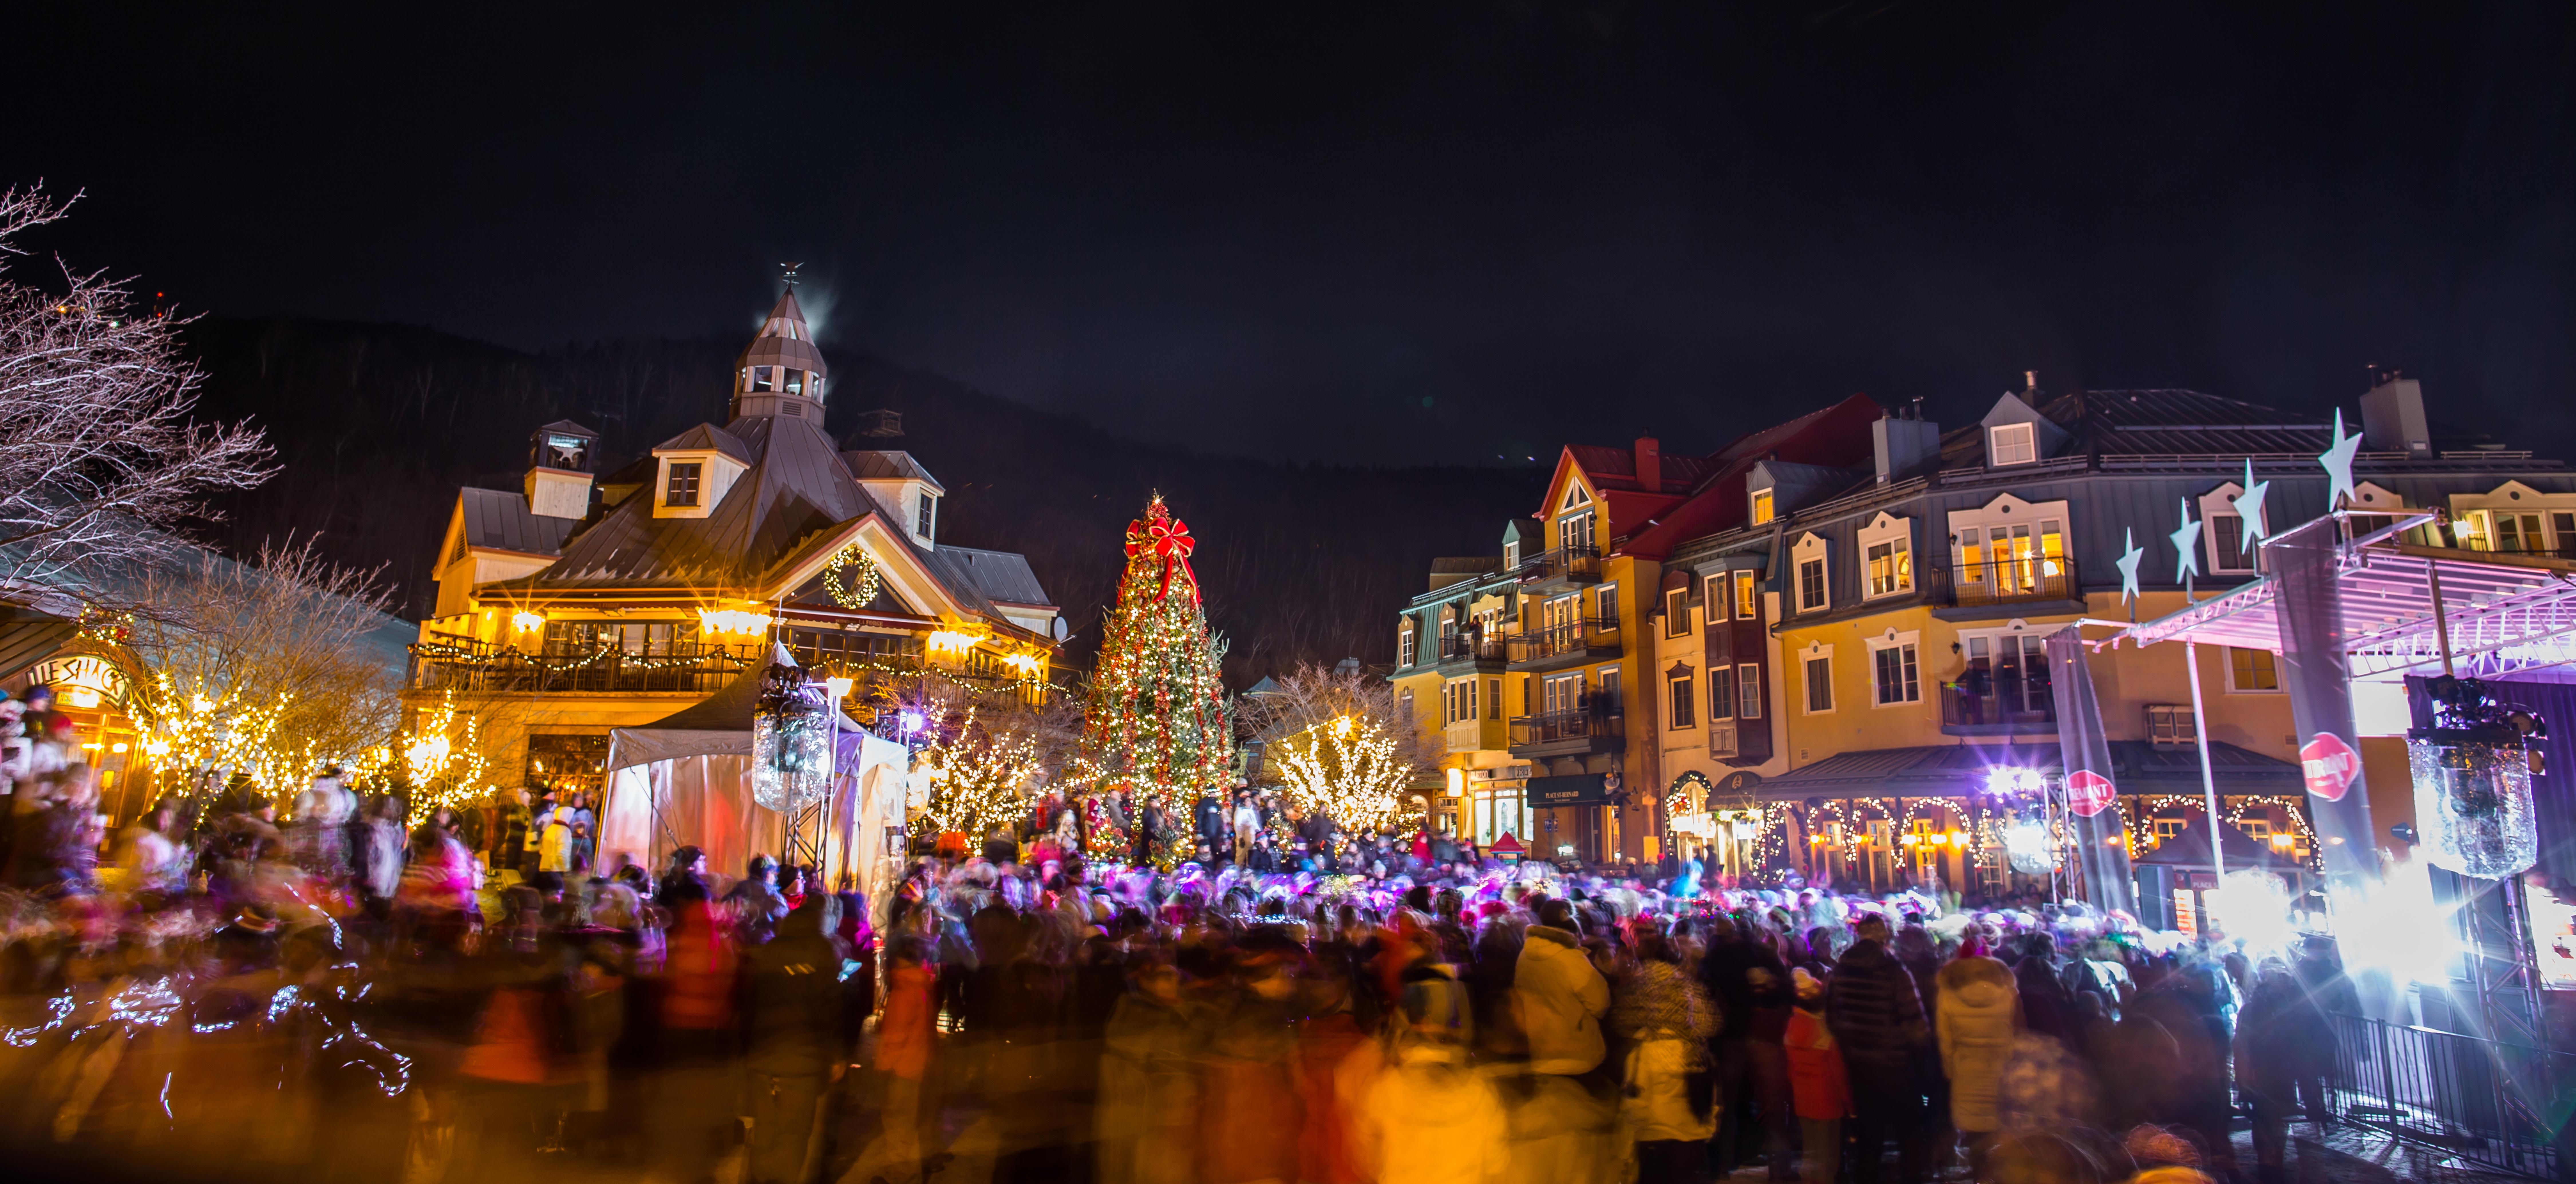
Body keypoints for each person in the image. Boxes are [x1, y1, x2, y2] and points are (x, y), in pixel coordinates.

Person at [740, 897, 847, 1184]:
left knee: (766, 1128)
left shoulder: (770, 950)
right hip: (805, 1058)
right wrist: (836, 1054)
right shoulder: (825, 951)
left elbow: (750, 1004)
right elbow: (831, 1007)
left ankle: (762, 1177)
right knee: (795, 1132)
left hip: (766, 1056)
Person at [1828, 913, 1933, 1184]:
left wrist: (1851, 1045)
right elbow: (1914, 1021)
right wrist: (1921, 1060)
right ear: (1884, 937)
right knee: (1908, 1132)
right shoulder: (1894, 970)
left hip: (1859, 1064)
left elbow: (1834, 1017)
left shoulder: (1842, 969)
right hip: (1896, 1065)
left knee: (1869, 1134)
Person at [1936, 941, 2022, 1178]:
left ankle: (1981, 1177)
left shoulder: (1948, 992)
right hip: (2002, 1070)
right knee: (2002, 1133)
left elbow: (1946, 1039)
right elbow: (2018, 1030)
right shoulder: (2007, 989)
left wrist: (1950, 1070)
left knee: (1975, 1136)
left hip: (1967, 1070)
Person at [1785, 967, 1852, 1184]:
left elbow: (1790, 1068)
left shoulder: (1791, 1026)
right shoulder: (1826, 1034)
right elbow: (1839, 1074)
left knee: (1811, 1151)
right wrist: (1851, 1107)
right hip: (1827, 1103)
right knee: (1827, 1157)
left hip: (1803, 1100)